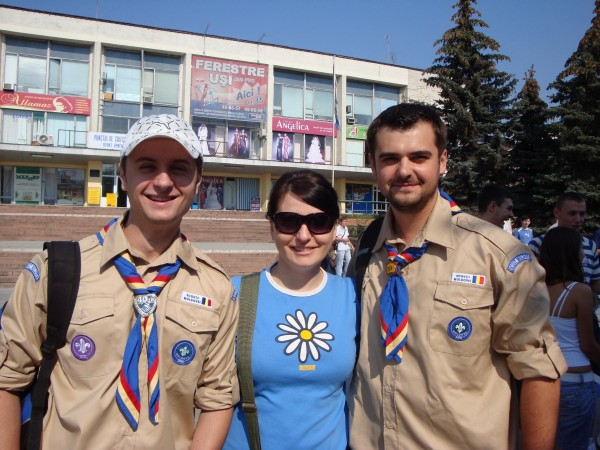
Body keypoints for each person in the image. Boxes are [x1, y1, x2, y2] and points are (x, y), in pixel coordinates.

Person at [0, 114, 239, 449]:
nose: (163, 181)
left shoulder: (215, 287)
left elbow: (217, 398)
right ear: (123, 175)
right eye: (147, 166)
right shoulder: (57, 270)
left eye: (179, 168)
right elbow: (7, 380)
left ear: (198, 182)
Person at [347, 103, 566, 449]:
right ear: (373, 165)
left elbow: (538, 370)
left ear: (443, 161)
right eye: (390, 158)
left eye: (419, 157)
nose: (404, 170)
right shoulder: (366, 249)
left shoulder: (498, 255)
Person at [223, 169, 358, 450]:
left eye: (319, 222)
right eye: (289, 221)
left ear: (334, 228)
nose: (303, 236)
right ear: (272, 226)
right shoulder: (234, 294)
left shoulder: (353, 296)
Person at [540, 227, 600, 450]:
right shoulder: (579, 291)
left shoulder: (537, 289)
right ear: (571, 253)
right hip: (576, 379)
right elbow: (588, 345)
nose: (583, 254)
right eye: (580, 249)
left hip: (544, 378)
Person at [528, 192, 600, 294]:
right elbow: (530, 283)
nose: (578, 219)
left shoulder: (590, 245)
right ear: (556, 212)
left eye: (582, 214)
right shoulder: (538, 244)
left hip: (582, 302)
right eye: (572, 213)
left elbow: (595, 283)